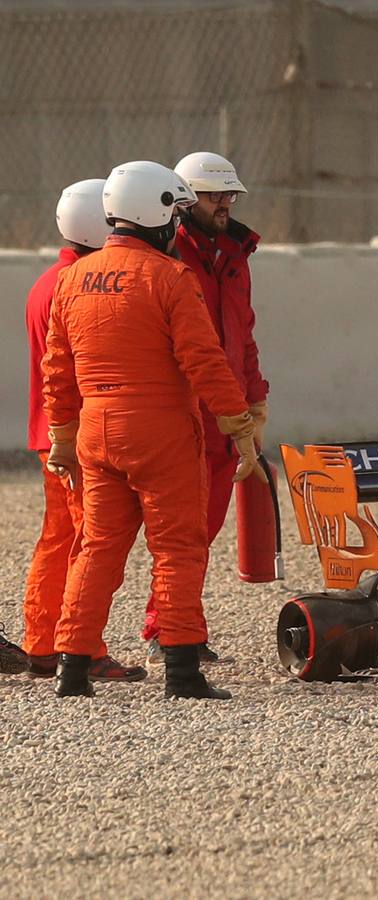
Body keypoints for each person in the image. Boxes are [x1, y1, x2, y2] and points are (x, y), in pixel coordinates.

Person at [41, 160, 260, 700]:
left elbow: (57, 371)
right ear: (157, 211)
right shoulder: (170, 277)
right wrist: (239, 426)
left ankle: (73, 668)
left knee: (96, 548)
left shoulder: (70, 280)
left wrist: (63, 439)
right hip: (161, 432)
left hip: (96, 431)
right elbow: (205, 361)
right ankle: (182, 673)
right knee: (179, 549)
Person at [14, 179, 147, 682]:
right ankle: (82, 648)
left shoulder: (50, 279)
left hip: (50, 433)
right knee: (90, 542)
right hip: (75, 434)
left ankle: (44, 644)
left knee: (59, 539)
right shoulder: (81, 283)